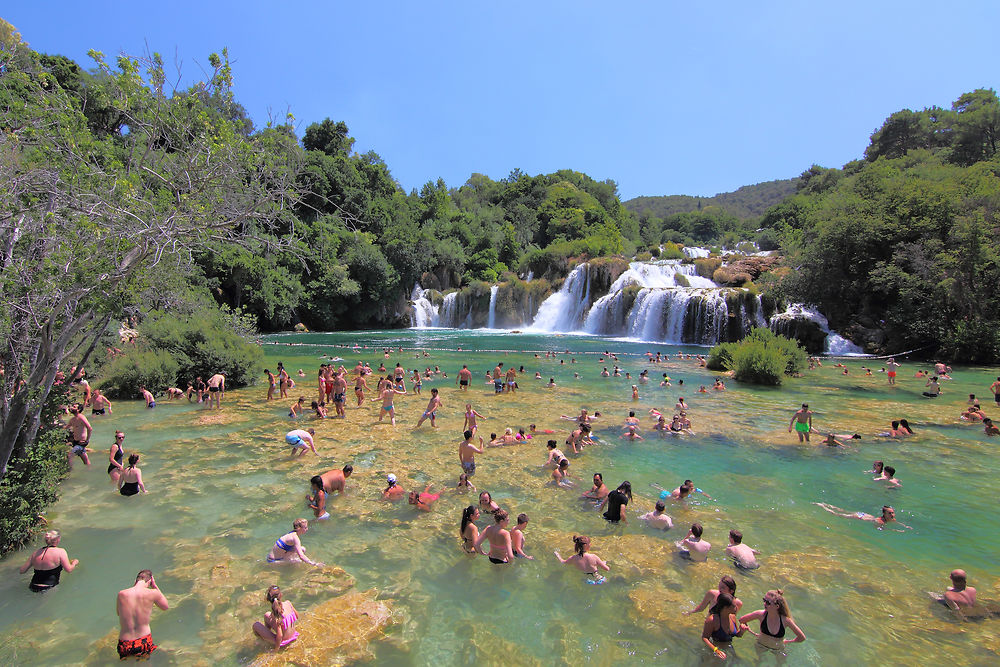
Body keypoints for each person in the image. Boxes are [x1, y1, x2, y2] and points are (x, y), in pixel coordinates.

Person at [116, 570, 169, 660]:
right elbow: (165, 607)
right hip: (143, 641)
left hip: (125, 643)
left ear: (135, 581)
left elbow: (118, 613)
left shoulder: (122, 594)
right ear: (150, 581)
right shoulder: (153, 593)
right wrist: (155, 587)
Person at [738, 589, 806, 651]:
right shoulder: (760, 614)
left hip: (778, 649)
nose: (764, 604)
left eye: (768, 603)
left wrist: (787, 642)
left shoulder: (785, 620)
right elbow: (741, 620)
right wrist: (750, 631)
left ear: (777, 606)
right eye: (764, 600)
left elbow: (801, 637)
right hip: (761, 645)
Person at [253, 585, 300, 649]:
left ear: (268, 599)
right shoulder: (288, 603)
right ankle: (268, 633)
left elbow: (280, 635)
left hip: (284, 642)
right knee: (267, 615)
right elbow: (297, 616)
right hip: (294, 635)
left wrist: (276, 649)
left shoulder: (276, 614)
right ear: (281, 595)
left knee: (256, 625)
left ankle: (263, 640)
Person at [701, 592, 745, 659]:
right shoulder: (712, 620)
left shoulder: (732, 617)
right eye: (734, 606)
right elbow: (704, 638)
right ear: (725, 608)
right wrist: (716, 650)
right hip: (714, 650)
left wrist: (742, 631)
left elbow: (737, 635)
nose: (736, 607)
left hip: (728, 648)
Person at [814, 503, 912, 529]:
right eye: (890, 513)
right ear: (884, 514)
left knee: (843, 510)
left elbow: (896, 522)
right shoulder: (880, 521)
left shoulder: (892, 519)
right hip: (860, 517)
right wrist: (895, 530)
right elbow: (879, 528)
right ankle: (823, 506)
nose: (892, 514)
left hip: (864, 514)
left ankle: (827, 504)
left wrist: (905, 526)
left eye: (892, 512)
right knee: (838, 514)